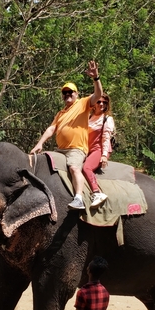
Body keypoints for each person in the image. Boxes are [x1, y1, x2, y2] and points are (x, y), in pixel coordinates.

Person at [30, 61, 104, 210]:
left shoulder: (82, 104)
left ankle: (79, 198)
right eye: (65, 93)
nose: (68, 94)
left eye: (70, 92)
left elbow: (98, 94)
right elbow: (51, 129)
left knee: (74, 168)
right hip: (61, 150)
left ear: (76, 94)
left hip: (76, 149)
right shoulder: (60, 113)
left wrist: (96, 78)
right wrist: (40, 143)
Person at [83, 93, 115, 208]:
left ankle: (97, 193)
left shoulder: (107, 119)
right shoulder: (89, 117)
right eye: (99, 101)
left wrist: (104, 155)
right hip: (87, 150)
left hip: (99, 150)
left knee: (86, 168)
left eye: (104, 102)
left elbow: (106, 138)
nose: (101, 104)